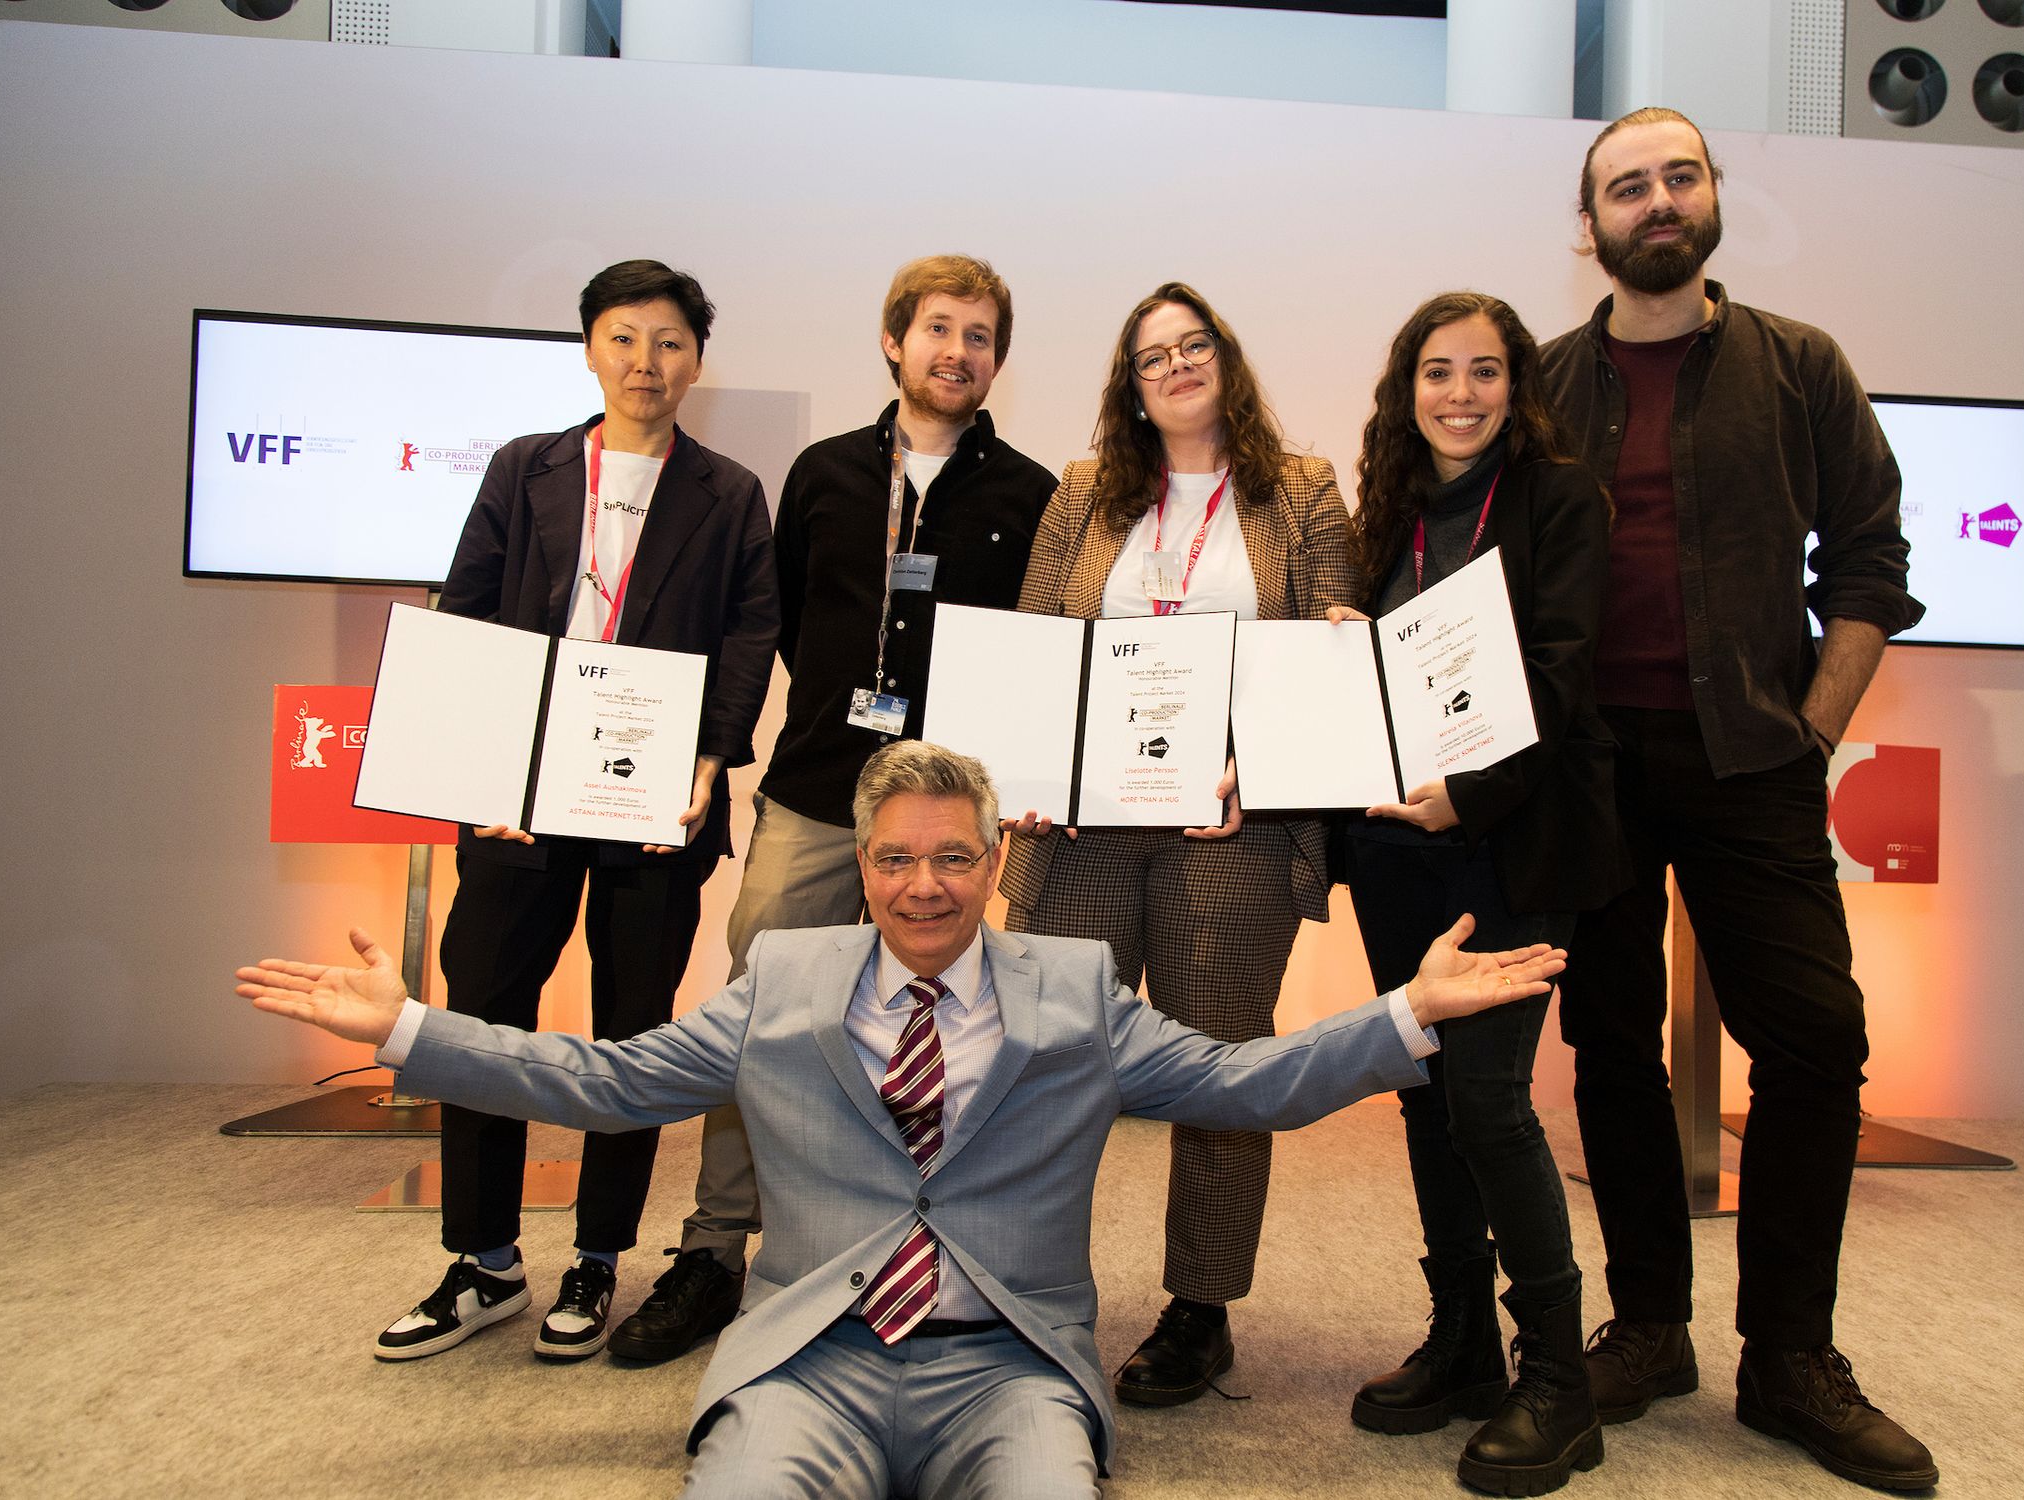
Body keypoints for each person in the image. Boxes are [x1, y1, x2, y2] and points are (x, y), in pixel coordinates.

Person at [238, 741, 1570, 1500]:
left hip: (1006, 1371)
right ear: (861, 866)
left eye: (951, 858)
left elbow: (1236, 1088)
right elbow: (605, 1083)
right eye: (892, 858)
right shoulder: (782, 984)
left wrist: (1406, 1013)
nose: (922, 887)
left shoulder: (1073, 991)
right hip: (811, 1363)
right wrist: (406, 1030)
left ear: (994, 863)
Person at [1538, 108, 1937, 1491]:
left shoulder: (1796, 367)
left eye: (1677, 177)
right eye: (1625, 187)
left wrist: (1814, 731)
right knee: (1608, 1044)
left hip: (1749, 760)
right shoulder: (1543, 386)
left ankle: (1789, 1357)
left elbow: (1873, 560)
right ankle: (1648, 1327)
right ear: (1585, 226)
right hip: (1589, 767)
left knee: (1816, 1044)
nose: (1656, 201)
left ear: (1709, 201)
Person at [610, 255, 1056, 1363]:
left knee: (938, 1035)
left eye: (981, 335)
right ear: (893, 340)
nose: (958, 351)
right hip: (818, 792)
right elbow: (787, 623)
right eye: (939, 328)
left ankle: (906, 1250)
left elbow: (1046, 654)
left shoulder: (1032, 494)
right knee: (763, 1009)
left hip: (950, 821)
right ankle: (714, 1249)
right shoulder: (818, 476)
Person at [397, 259, 779, 1362]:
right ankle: (482, 1260)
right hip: (518, 801)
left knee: (635, 1032)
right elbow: (466, 614)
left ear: (696, 361)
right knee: (480, 1021)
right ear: (589, 349)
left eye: (668, 343)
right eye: (624, 338)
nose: (646, 364)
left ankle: (601, 1257)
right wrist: (483, 773)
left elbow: (750, 636)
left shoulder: (730, 492)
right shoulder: (527, 470)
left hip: (654, 805)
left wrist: (712, 759)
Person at [1002, 281, 1360, 1406]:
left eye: (1193, 344)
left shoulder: (1301, 493)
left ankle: (1200, 1311)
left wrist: (1261, 765)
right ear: (1130, 383)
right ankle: (1017, 1283)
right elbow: (1037, 650)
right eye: (1152, 354)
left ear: (1226, 359)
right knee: (1044, 1059)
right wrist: (1028, 772)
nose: (1176, 365)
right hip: (1090, 829)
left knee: (1217, 1067)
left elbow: (1330, 664)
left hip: (1232, 831)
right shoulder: (1082, 493)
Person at [1332, 291, 1628, 1495]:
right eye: (1438, 372)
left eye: (1486, 371)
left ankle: (1556, 1381)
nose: (1461, 394)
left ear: (1518, 385)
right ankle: (1461, 1343)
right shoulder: (1386, 514)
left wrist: (1469, 793)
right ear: (1407, 390)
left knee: (1494, 1103)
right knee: (1426, 1096)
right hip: (1398, 848)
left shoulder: (1561, 499)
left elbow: (1560, 673)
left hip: (1514, 839)